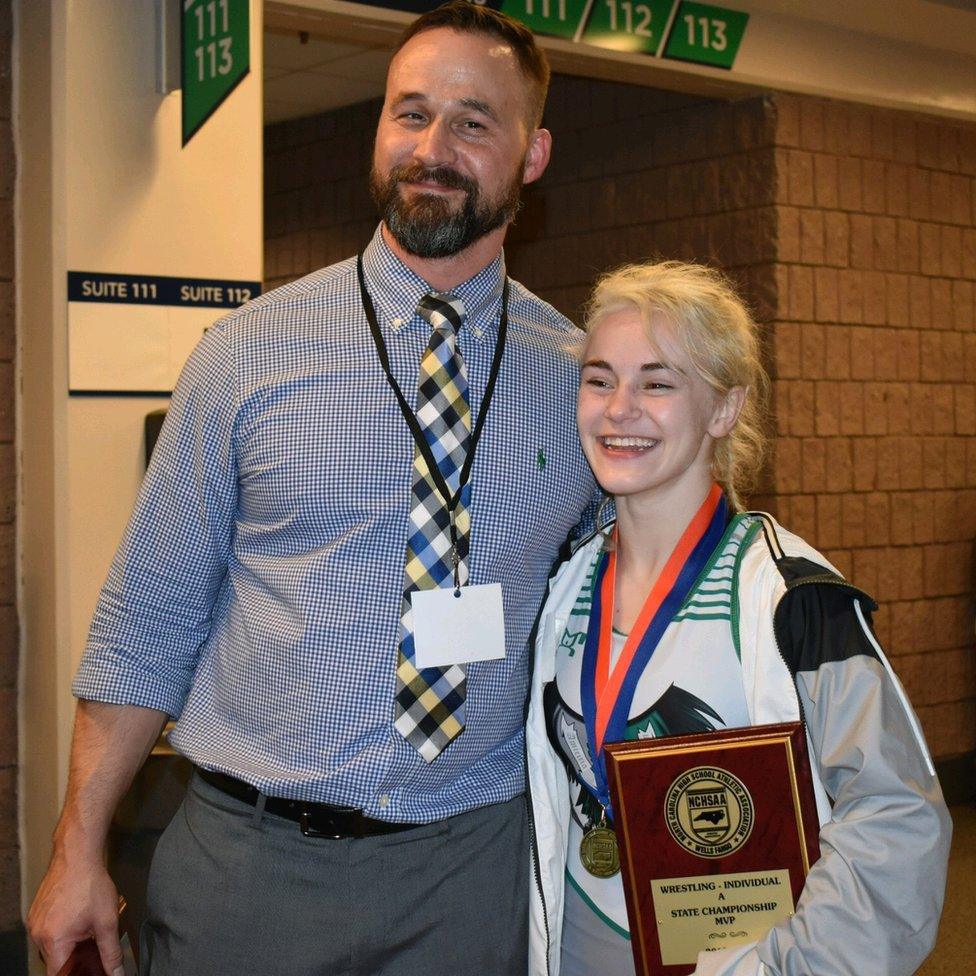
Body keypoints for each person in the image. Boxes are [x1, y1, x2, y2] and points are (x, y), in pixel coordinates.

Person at [28, 4, 598, 975]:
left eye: (473, 121)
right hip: (251, 871)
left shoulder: (579, 380)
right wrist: (77, 847)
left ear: (531, 153)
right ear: (378, 127)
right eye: (409, 113)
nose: (432, 146)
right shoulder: (245, 357)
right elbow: (147, 623)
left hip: (473, 875)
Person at [526, 261, 951, 976]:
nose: (618, 408)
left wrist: (780, 969)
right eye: (599, 379)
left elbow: (898, 821)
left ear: (724, 410)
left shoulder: (794, 601)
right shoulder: (567, 584)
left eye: (657, 383)